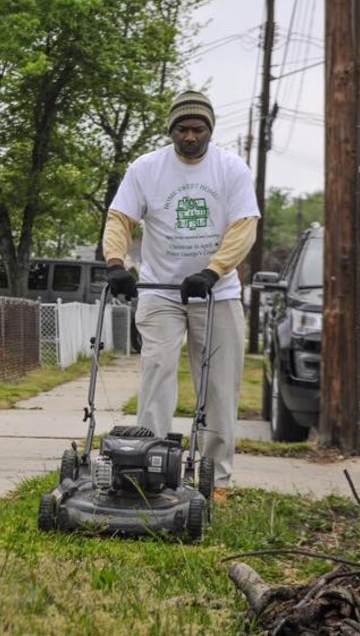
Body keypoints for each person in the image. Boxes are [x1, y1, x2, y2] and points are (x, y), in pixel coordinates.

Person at [102, 90, 259, 501]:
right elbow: (120, 217)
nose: (190, 137)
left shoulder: (231, 169)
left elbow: (244, 226)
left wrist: (212, 271)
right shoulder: (147, 168)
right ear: (171, 130)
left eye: (198, 129)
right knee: (157, 370)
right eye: (182, 129)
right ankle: (149, 465)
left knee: (219, 385)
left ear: (210, 130)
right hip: (161, 290)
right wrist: (116, 264)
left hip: (217, 292)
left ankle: (215, 478)